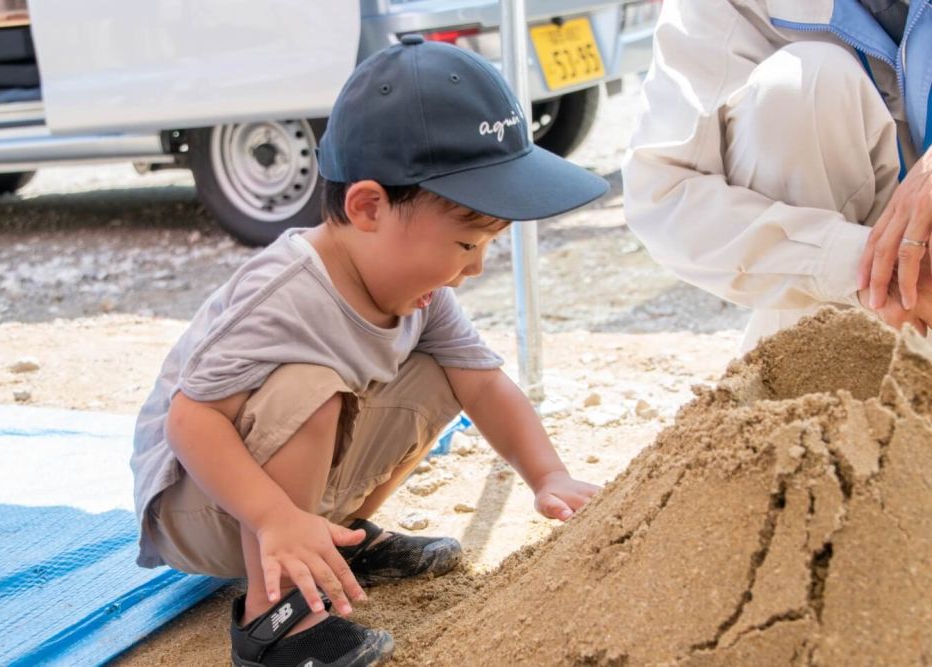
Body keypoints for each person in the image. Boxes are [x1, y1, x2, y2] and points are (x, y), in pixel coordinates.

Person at [130, 35, 608, 667]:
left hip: (277, 501)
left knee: (446, 371)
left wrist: (547, 475)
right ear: (368, 206)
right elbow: (190, 421)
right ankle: (277, 624)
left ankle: (337, 542)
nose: (476, 268)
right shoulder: (283, 293)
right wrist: (274, 516)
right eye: (467, 244)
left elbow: (485, 385)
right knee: (311, 385)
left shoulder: (420, 294)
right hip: (202, 503)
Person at [623, 0, 931, 352]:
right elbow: (662, 196)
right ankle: (822, 366)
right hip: (864, 282)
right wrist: (862, 265)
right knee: (807, 82)